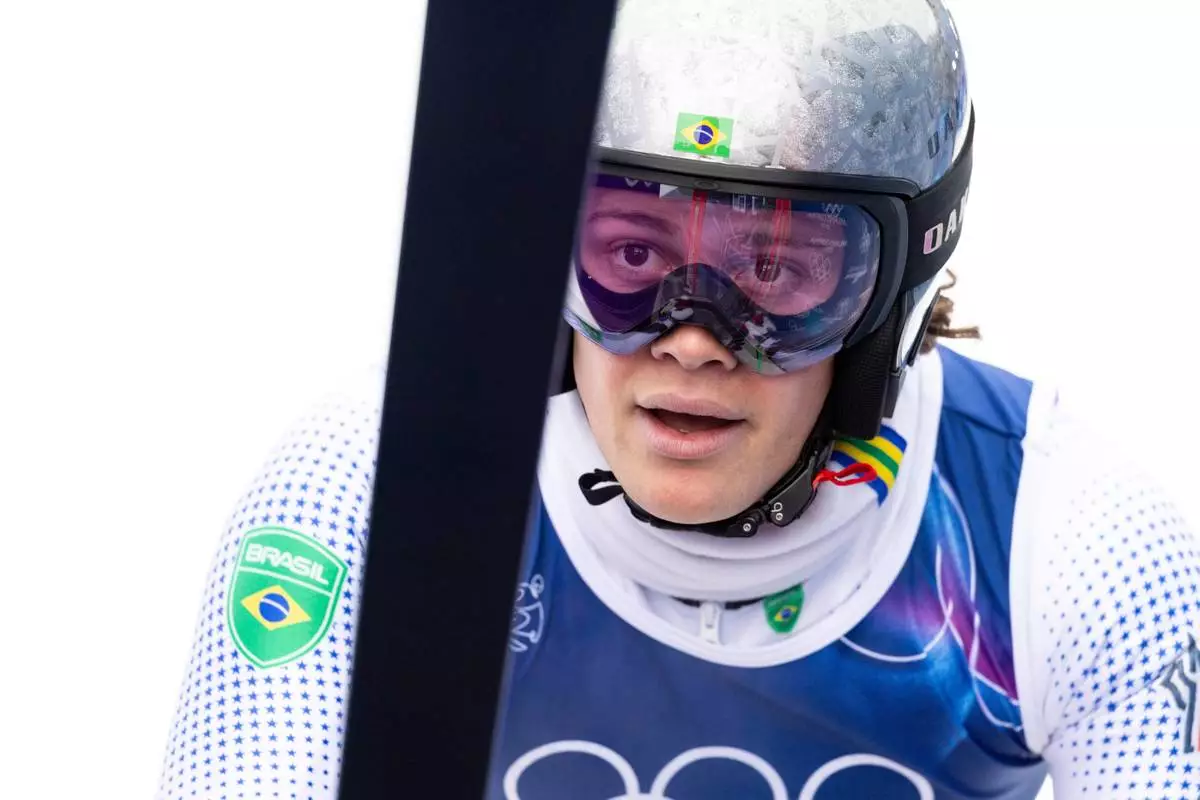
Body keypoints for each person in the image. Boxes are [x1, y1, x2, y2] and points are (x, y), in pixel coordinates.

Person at [156, 0, 1200, 797]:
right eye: (630, 252)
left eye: (775, 269)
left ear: (891, 297)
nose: (693, 337)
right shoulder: (371, 486)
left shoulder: (1061, 535)